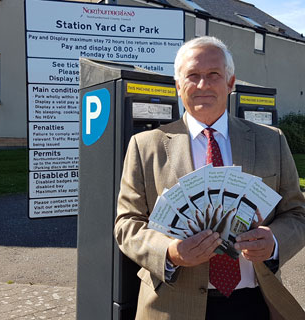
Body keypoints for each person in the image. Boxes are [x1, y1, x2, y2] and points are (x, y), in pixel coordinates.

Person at [114, 36, 305, 320]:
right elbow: (127, 225)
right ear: (178, 86)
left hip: (254, 302)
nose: (203, 85)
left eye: (214, 74)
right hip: (172, 304)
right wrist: (171, 252)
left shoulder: (271, 141)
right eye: (192, 75)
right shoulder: (146, 145)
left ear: (230, 83)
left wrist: (274, 241)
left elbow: (296, 214)